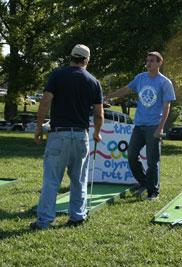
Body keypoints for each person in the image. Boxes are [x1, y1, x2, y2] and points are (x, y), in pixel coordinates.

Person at [30, 44, 104, 230]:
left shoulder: (57, 75)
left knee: (51, 180)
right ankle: (77, 217)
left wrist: (39, 128)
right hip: (81, 136)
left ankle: (44, 220)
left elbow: (45, 102)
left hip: (58, 135)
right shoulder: (94, 82)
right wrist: (97, 133)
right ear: (87, 60)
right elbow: (99, 115)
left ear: (71, 57)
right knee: (78, 179)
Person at [105, 51, 176, 200]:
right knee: (131, 155)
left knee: (152, 161)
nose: (148, 63)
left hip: (154, 126)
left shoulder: (165, 82)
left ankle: (153, 192)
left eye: (152, 61)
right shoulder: (140, 78)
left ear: (159, 63)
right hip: (139, 125)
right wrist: (109, 96)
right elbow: (126, 89)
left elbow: (166, 107)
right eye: (147, 60)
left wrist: (160, 127)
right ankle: (144, 183)